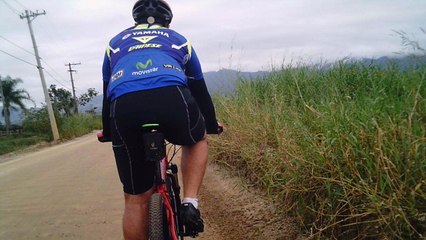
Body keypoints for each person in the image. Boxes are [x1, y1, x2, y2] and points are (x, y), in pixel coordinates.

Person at [100, 0, 220, 239]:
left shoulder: (114, 44)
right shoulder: (178, 39)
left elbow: (107, 93)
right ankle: (190, 203)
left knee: (135, 200)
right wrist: (210, 124)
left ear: (135, 20)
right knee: (197, 139)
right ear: (168, 21)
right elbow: (199, 88)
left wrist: (109, 131)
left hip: (125, 106)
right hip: (172, 98)